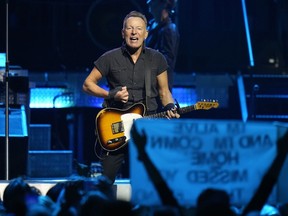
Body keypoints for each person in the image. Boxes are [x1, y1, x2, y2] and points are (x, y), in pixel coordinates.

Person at [82, 10, 180, 184]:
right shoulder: (109, 58)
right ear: (123, 32)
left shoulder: (156, 59)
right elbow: (87, 84)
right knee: (105, 182)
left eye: (139, 29)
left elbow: (165, 93)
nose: (134, 32)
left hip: (145, 130)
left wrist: (170, 107)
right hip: (116, 130)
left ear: (146, 34)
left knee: (148, 181)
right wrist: (111, 94)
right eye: (130, 29)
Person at [146, 0, 180, 92]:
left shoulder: (169, 30)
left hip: (158, 90)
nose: (148, 2)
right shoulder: (150, 25)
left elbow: (167, 61)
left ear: (164, 4)